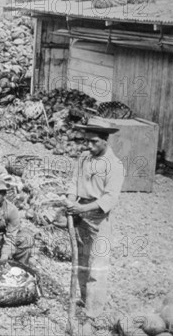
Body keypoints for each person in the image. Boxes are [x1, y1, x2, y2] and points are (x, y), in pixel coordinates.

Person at [64, 124, 124, 324]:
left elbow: (109, 199)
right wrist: (71, 201)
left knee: (97, 267)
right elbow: (74, 182)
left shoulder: (114, 165)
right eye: (86, 140)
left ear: (105, 141)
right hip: (80, 214)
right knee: (81, 260)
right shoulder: (83, 158)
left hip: (98, 218)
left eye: (93, 141)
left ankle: (92, 314)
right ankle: (82, 298)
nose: (88, 145)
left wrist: (81, 209)